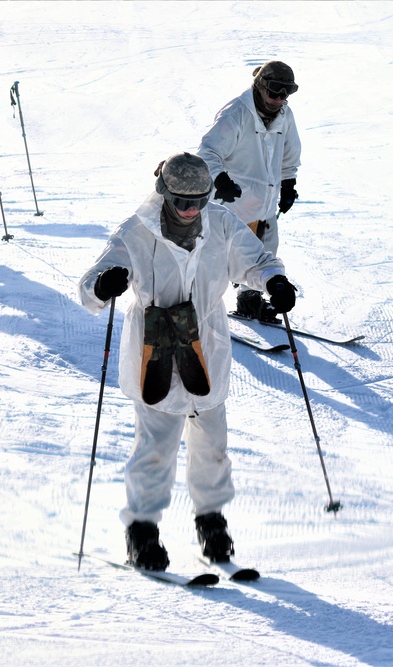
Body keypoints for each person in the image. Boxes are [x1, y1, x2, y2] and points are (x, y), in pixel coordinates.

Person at [78, 152, 297, 571]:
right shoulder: (136, 232)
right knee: (156, 446)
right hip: (155, 350)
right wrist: (104, 285)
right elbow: (90, 286)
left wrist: (276, 281)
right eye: (182, 203)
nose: (191, 210)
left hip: (207, 346)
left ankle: (211, 522)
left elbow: (258, 260)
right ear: (165, 194)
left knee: (212, 444)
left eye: (199, 201)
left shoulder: (221, 224)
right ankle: (142, 531)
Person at [197, 60, 301, 323]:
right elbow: (208, 151)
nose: (279, 99)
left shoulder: (284, 115)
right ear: (260, 86)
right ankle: (196, 307)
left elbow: (289, 155)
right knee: (220, 259)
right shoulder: (236, 114)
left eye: (285, 94)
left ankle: (249, 299)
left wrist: (289, 184)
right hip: (232, 203)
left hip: (265, 202)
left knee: (265, 252)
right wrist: (220, 179)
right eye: (274, 92)